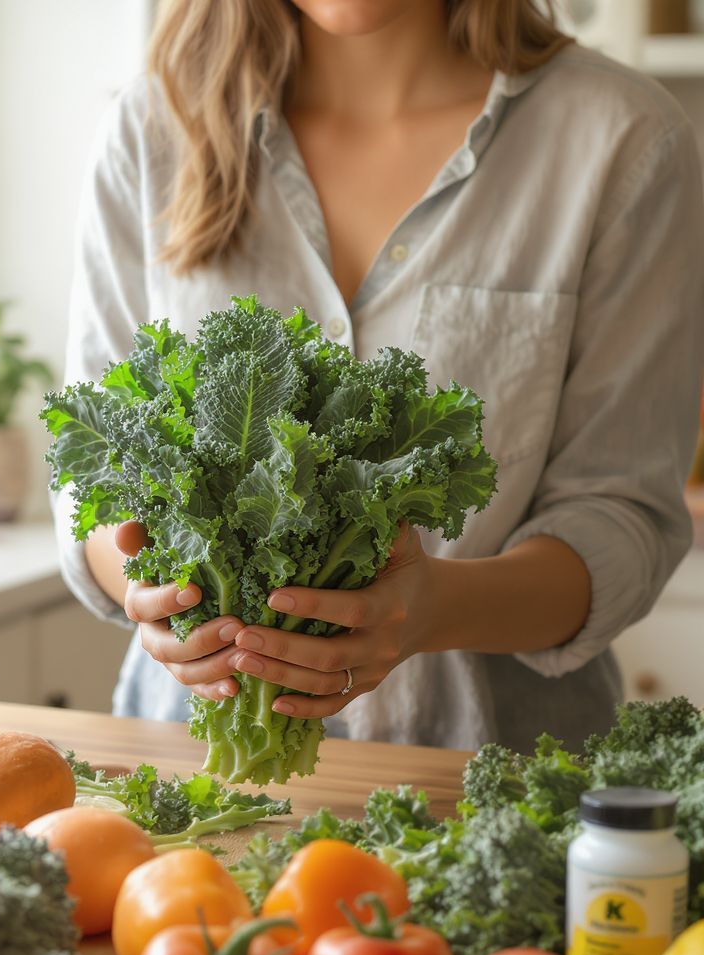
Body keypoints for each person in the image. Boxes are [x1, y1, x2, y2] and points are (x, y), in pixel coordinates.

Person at [53, 0, 704, 753]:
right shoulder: (151, 128)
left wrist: (433, 609)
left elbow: (620, 518)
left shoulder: (624, 137)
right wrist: (152, 590)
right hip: (193, 769)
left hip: (492, 771)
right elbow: (90, 464)